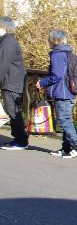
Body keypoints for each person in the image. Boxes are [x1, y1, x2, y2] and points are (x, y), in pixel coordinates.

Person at [35, 30, 77, 158]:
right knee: (66, 120)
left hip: (62, 92)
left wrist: (42, 83)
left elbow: (57, 75)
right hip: (69, 92)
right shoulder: (67, 52)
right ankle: (67, 148)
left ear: (54, 40)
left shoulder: (57, 54)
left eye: (49, 39)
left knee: (64, 120)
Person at [0, 17, 29, 150]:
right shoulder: (8, 41)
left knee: (13, 112)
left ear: (4, 27)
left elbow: (2, 64)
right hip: (12, 81)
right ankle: (19, 139)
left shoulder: (8, 42)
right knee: (13, 111)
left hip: (11, 82)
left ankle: (21, 140)